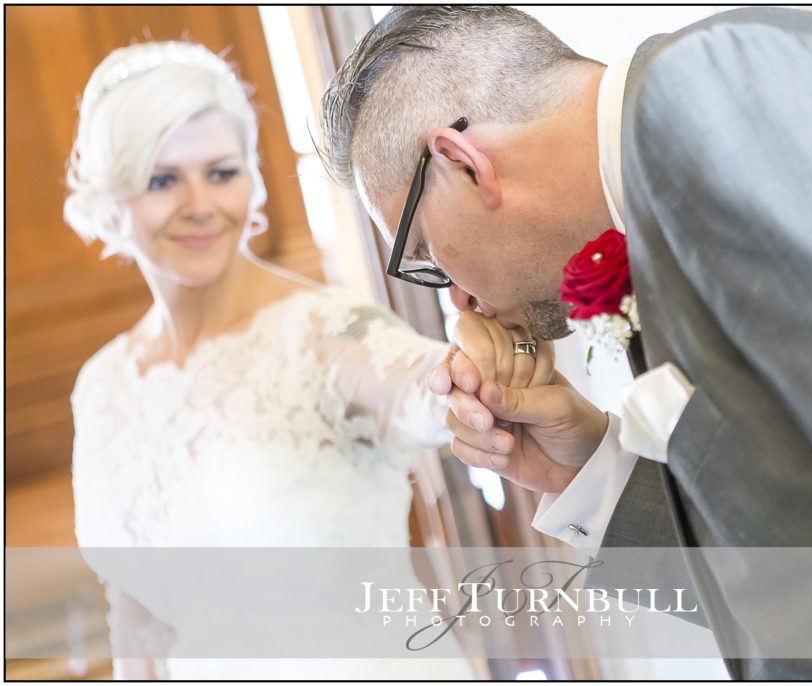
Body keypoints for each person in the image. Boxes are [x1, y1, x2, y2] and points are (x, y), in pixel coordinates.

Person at [319, 6, 812, 680]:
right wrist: (582, 470)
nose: (459, 300)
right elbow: (809, 581)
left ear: (462, 163)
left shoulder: (711, 97)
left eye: (426, 255)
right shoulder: (661, 191)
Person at [65, 40, 544, 680]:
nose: (199, 204)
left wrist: (474, 369)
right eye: (161, 180)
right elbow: (135, 614)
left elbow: (416, 386)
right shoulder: (101, 386)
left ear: (253, 179)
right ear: (111, 200)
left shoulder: (325, 330)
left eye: (222, 171)